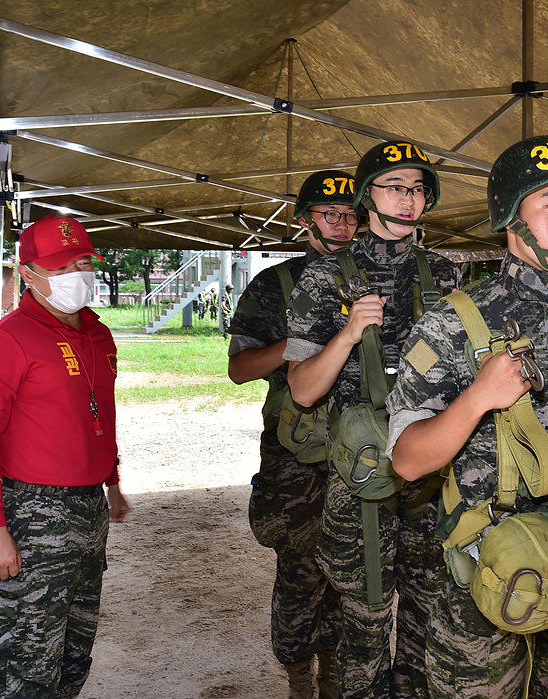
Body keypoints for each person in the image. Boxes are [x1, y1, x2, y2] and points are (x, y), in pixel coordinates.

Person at [387, 135, 548, 698]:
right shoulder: (452, 324)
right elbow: (408, 461)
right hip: (487, 570)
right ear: (510, 216)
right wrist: (478, 397)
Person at [284, 141, 460, 699]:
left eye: (416, 189)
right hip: (361, 478)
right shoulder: (325, 278)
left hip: (430, 471)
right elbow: (303, 388)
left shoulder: (446, 274)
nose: (407, 200)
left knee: (427, 618)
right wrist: (348, 333)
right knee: (363, 623)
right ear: (367, 195)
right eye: (394, 187)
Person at [0, 216, 130, 698]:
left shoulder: (98, 334)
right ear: (28, 272)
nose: (76, 274)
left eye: (81, 263)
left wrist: (111, 482)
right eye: (60, 266)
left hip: (87, 509)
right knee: (25, 666)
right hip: (30, 512)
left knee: (74, 655)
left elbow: (100, 417)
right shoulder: (5, 341)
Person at [226, 170, 360, 696]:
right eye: (331, 215)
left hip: (363, 452)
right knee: (302, 571)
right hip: (296, 458)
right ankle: (300, 679)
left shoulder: (375, 280)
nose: (343, 226)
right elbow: (239, 368)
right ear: (305, 222)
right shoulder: (275, 286)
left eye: (351, 215)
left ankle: (337, 679)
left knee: (356, 571)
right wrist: (295, 344)